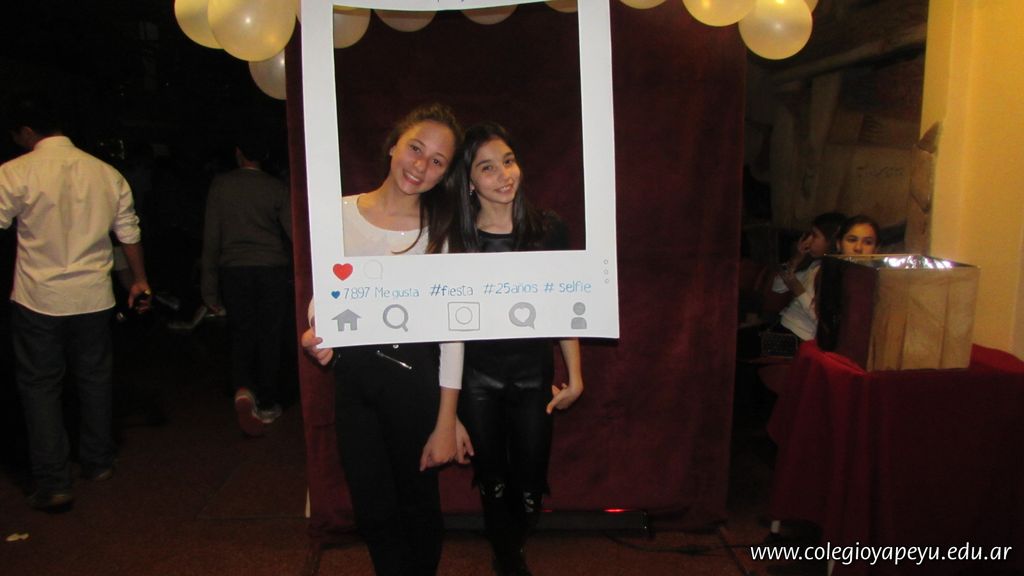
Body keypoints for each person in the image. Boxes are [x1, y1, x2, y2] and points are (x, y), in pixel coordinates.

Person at [300, 103, 468, 576]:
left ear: (445, 174)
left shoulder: (442, 230)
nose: (421, 165)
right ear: (394, 145)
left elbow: (453, 330)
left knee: (418, 503)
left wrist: (447, 417)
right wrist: (318, 330)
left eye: (437, 161)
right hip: (354, 377)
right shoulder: (338, 212)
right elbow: (326, 293)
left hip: (416, 380)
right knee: (372, 508)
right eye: (415, 148)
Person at [0, 95, 151, 511]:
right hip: (93, 295)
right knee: (95, 378)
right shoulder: (105, 172)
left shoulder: (15, 172)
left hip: (38, 296)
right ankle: (98, 460)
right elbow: (128, 232)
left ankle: (54, 481)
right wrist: (139, 280)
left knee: (40, 386)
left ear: (27, 132)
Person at [447, 122, 584, 576]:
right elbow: (444, 322)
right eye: (487, 167)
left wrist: (575, 376)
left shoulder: (549, 228)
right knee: (492, 479)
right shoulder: (457, 238)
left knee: (530, 482)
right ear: (469, 181)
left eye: (508, 161)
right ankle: (507, 557)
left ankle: (514, 542)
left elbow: (564, 305)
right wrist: (447, 408)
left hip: (532, 374)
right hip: (475, 377)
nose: (504, 174)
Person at [201, 131, 293, 437]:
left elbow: (211, 237)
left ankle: (243, 388)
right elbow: (292, 232)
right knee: (271, 335)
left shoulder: (221, 185)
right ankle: (267, 402)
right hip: (272, 269)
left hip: (234, 269)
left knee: (242, 332)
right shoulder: (276, 187)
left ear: (239, 153)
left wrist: (208, 286)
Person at [770, 212, 846, 342]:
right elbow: (777, 287)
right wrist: (796, 259)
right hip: (784, 326)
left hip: (801, 336)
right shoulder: (815, 265)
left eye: (815, 236)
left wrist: (797, 289)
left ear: (832, 241)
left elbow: (821, 318)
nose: (808, 241)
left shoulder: (833, 273)